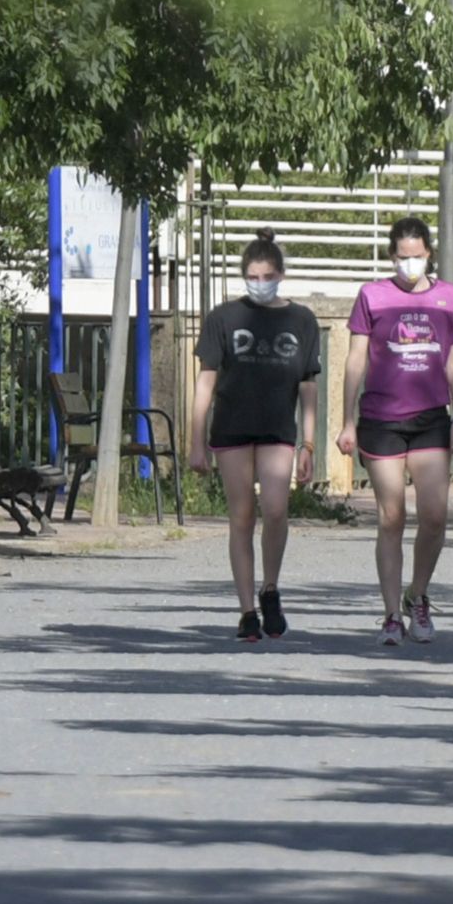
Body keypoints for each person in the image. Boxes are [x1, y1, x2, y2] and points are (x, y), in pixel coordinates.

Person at [337, 216, 453, 645]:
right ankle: (392, 614)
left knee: (434, 517)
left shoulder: (449, 298)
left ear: (429, 253)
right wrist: (347, 420)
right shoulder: (372, 295)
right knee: (391, 515)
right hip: (381, 419)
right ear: (391, 256)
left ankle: (419, 595)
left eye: (417, 256)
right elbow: (356, 358)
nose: (409, 265)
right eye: (402, 257)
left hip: (431, 417)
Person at [189, 228, 322, 642]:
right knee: (242, 516)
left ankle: (271, 588)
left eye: (267, 275)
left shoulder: (301, 320)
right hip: (232, 428)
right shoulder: (223, 318)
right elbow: (205, 383)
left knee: (276, 508)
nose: (260, 282)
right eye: (252, 275)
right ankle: (247, 609)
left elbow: (308, 387)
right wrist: (196, 441)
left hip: (278, 429)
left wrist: (310, 443)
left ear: (281, 274)